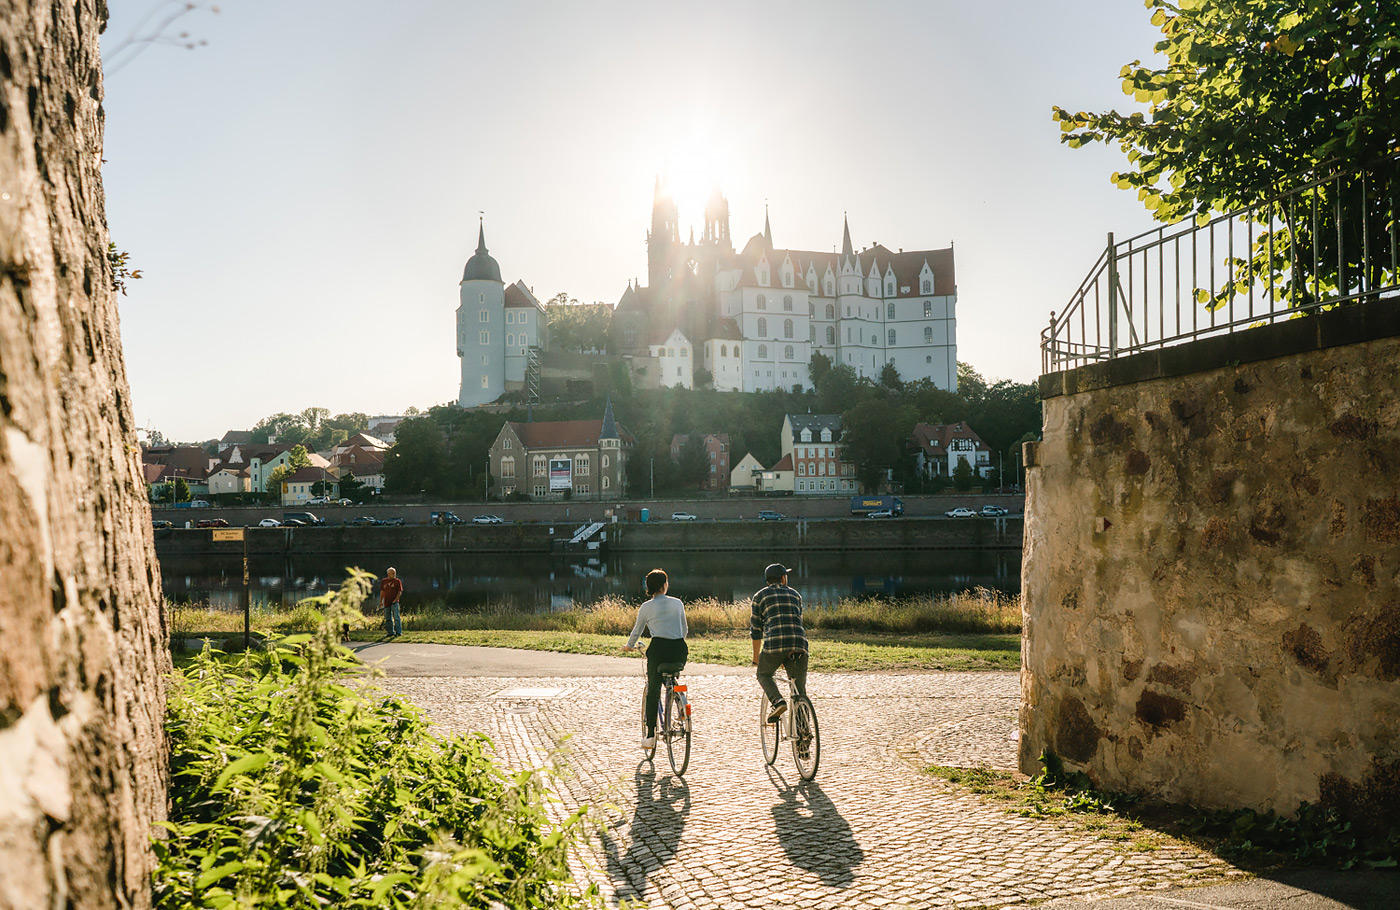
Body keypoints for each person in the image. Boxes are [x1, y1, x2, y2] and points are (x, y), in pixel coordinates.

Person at [623, 568, 688, 750]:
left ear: (649, 587)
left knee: (653, 691)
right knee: (672, 676)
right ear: (664, 585)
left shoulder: (646, 607)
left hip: (658, 650)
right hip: (679, 649)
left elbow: (637, 630)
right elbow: (684, 630)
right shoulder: (678, 603)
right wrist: (677, 641)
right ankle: (680, 701)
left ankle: (650, 736)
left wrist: (629, 646)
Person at [751, 562, 807, 723]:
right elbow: (797, 621)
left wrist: (756, 658)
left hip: (774, 645)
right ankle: (803, 734)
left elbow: (756, 630)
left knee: (763, 674)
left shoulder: (759, 596)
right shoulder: (795, 595)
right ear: (783, 578)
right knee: (799, 691)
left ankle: (778, 701)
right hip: (799, 644)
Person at [381, 567, 403, 637]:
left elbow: (399, 592)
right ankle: (390, 632)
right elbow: (382, 592)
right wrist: (381, 601)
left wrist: (396, 599)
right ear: (388, 574)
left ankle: (398, 632)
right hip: (386, 602)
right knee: (388, 618)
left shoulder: (397, 581)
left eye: (394, 573)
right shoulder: (384, 581)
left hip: (394, 602)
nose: (394, 574)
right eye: (392, 573)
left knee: (396, 617)